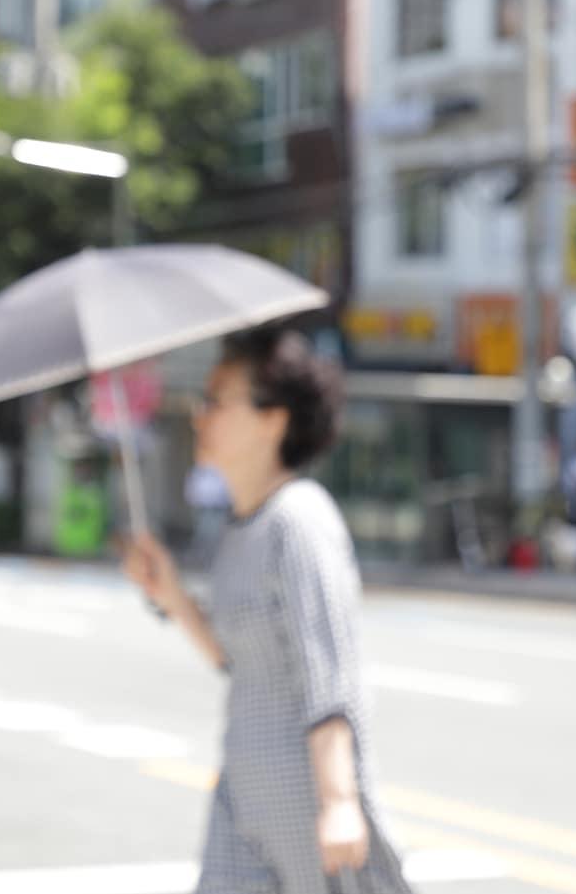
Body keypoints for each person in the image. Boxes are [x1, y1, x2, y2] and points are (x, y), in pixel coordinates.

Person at [120, 326, 414, 894]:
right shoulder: (238, 528)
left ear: (273, 418)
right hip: (244, 797)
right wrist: (174, 596)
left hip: (308, 806)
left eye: (215, 399)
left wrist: (339, 802)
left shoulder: (300, 520)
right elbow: (237, 661)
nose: (197, 414)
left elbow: (328, 671)